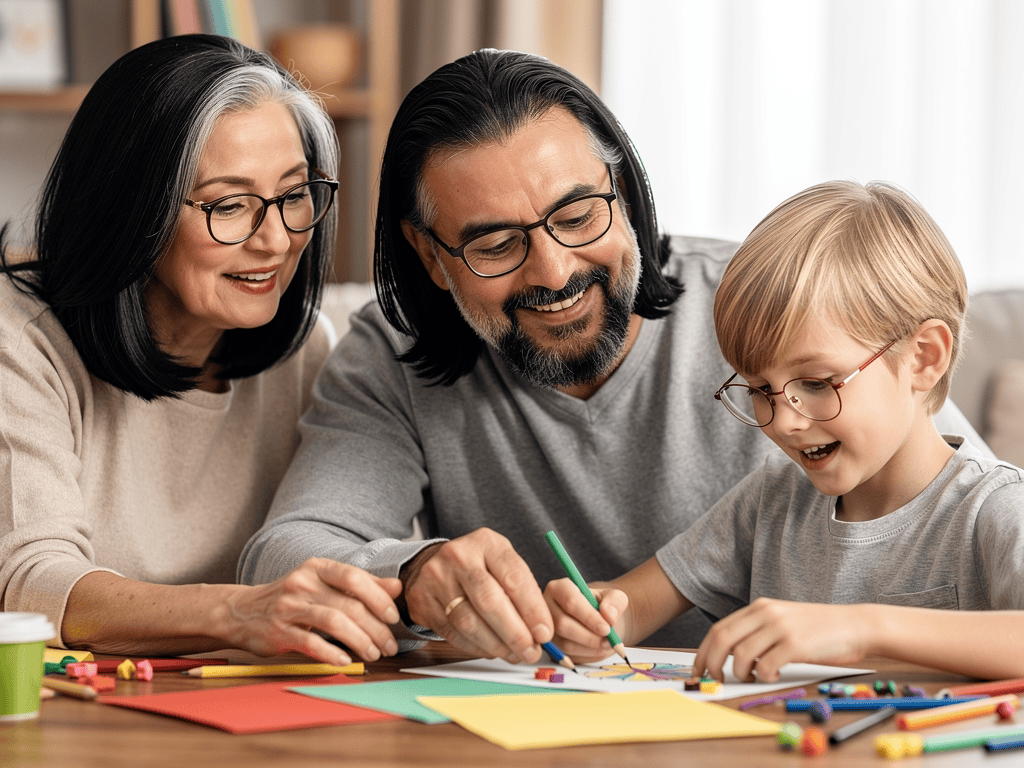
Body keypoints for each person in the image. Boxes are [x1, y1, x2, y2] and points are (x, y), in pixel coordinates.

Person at [238, 50, 987, 663]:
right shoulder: (390, 356)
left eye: (576, 214)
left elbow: (947, 488)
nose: (554, 272)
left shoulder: (772, 310)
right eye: (496, 245)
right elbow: (284, 554)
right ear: (431, 256)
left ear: (621, 189)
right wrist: (415, 571)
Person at [0, 34, 400, 666]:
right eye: (229, 205)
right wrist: (239, 612)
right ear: (131, 209)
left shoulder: (310, 352)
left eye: (294, 195)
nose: (274, 241)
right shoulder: (19, 338)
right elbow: (29, 586)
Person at [544, 180, 1024, 681]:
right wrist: (594, 615)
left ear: (924, 358)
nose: (784, 420)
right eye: (760, 389)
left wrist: (866, 629)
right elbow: (637, 604)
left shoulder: (994, 509)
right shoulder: (775, 498)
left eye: (816, 383)